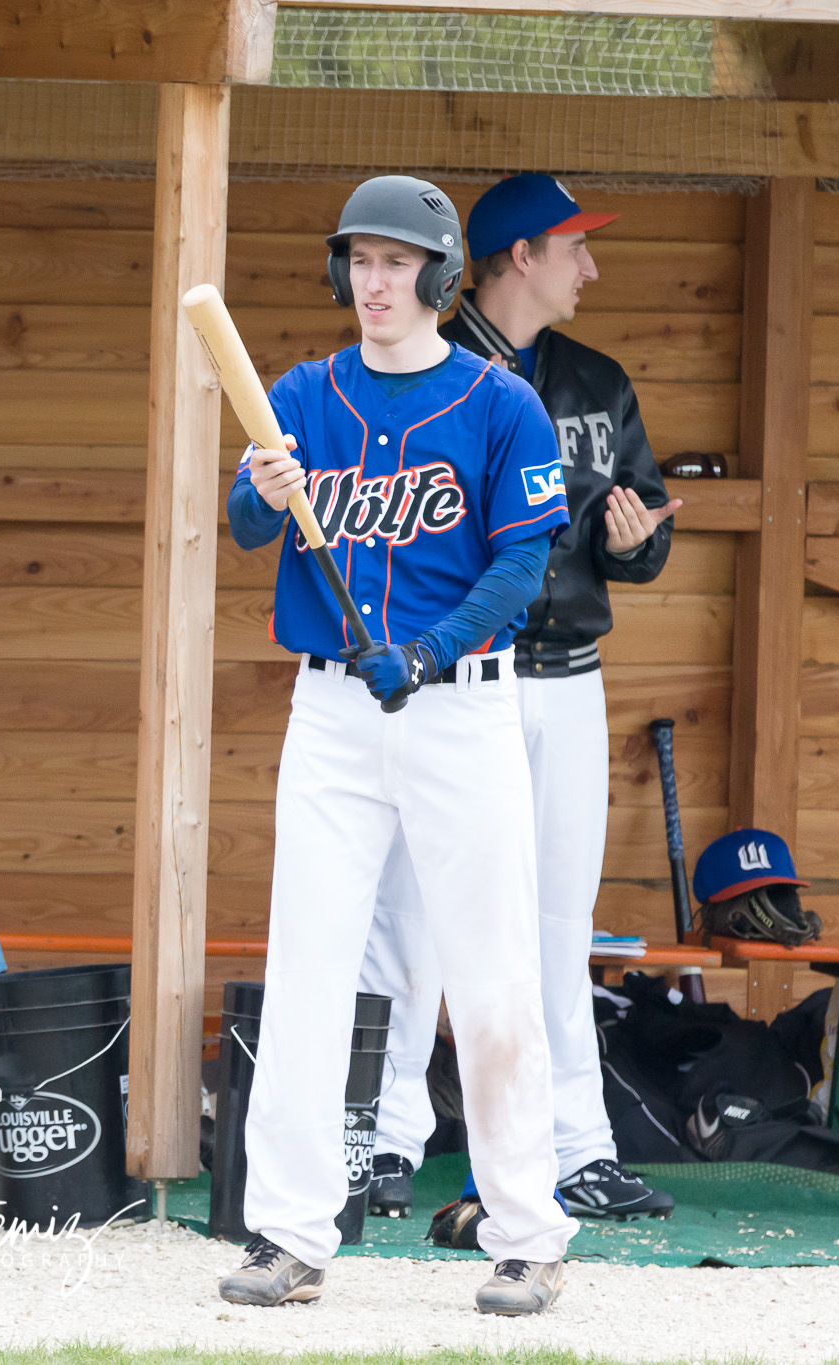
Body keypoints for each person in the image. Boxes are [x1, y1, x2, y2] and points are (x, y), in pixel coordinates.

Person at [215, 175, 579, 1316]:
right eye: (359, 261)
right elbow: (243, 525)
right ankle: (288, 1234)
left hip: (457, 703)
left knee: (490, 970)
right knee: (307, 966)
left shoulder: (500, 404)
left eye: (396, 262)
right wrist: (265, 489)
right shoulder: (301, 394)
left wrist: (428, 651)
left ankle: (527, 1236)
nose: (374, 282)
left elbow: (523, 563)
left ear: (440, 274)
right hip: (330, 707)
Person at [359, 175, 682, 1229]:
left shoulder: (596, 380)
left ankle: (574, 1147)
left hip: (568, 678)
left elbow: (642, 538)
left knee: (555, 921)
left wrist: (634, 543)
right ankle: (385, 1139)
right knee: (412, 913)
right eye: (572, 246)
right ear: (517, 257)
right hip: (454, 681)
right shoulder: (426, 369)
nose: (590, 265)